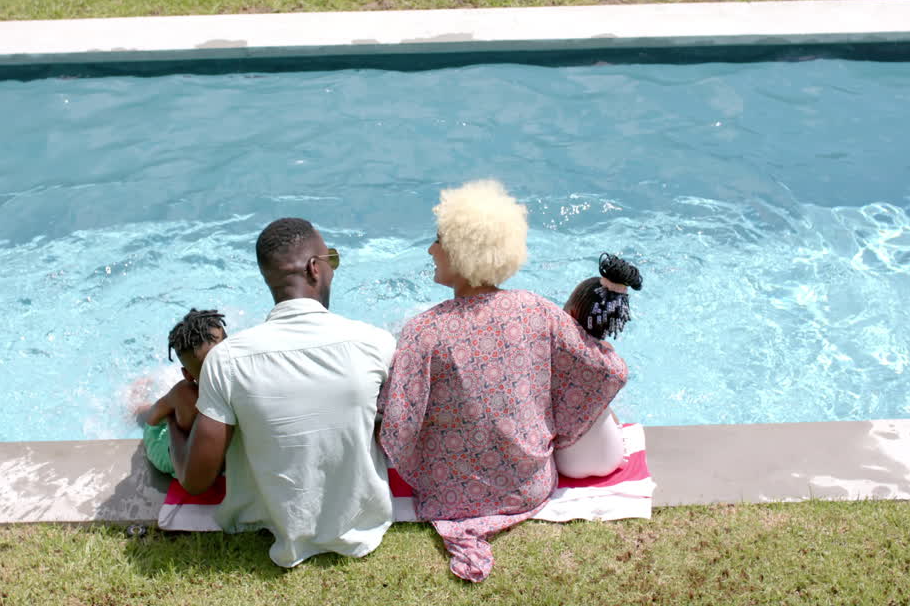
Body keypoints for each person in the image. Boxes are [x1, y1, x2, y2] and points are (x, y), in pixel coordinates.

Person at [377, 180, 628, 582]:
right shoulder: (535, 310)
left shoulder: (423, 332)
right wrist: (557, 417)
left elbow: (396, 429)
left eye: (438, 240)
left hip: (448, 496)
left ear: (461, 251)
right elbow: (607, 370)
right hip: (527, 487)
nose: (430, 250)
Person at [163, 217, 397, 568]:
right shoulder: (376, 343)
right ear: (314, 268)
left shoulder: (227, 360)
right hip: (361, 525)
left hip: (264, 522)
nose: (332, 270)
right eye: (331, 259)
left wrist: (171, 423)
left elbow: (196, 480)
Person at [554, 253, 644, 479]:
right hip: (611, 456)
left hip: (567, 463)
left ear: (570, 312)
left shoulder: (557, 353)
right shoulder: (613, 364)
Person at [133, 308, 227, 476]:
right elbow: (154, 419)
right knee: (156, 411)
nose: (220, 370)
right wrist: (172, 421)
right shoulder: (186, 395)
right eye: (209, 369)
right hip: (172, 450)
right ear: (188, 375)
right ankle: (136, 405)